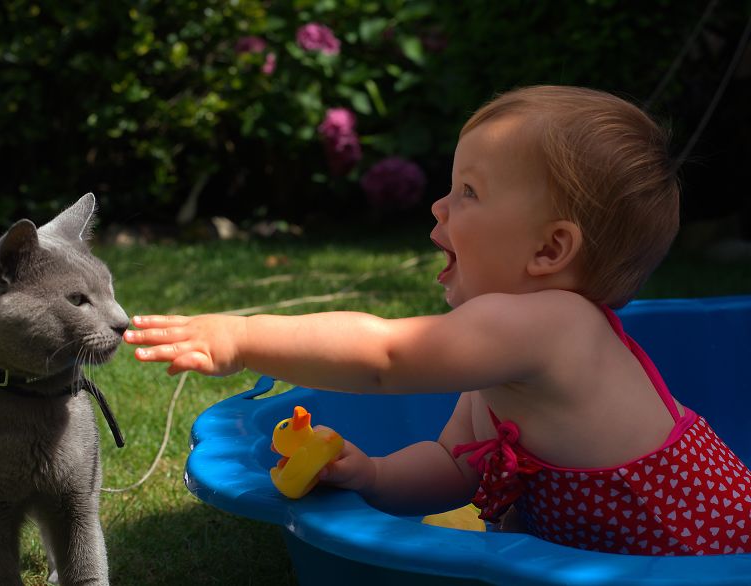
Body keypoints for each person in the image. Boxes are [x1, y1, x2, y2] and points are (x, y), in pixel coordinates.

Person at [123, 86, 751, 556]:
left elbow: (385, 356)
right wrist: (372, 474)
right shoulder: (503, 359)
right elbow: (453, 468)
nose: (439, 204)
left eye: (469, 192)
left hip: (708, 558)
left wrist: (239, 337)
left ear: (549, 251)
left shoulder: (556, 327)